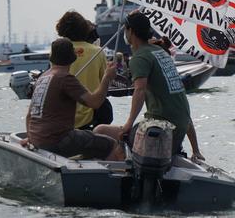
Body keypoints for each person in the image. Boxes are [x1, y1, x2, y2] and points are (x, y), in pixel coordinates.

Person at [95, 12, 203, 161]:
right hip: (177, 134)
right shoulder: (162, 53)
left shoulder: (140, 57)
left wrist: (128, 124)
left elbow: (139, 91)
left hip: (160, 131)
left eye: (125, 29)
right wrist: (196, 150)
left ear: (131, 31)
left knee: (100, 131)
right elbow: (182, 106)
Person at [23, 37, 117, 160]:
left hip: (37, 140)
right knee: (111, 144)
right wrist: (106, 78)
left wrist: (30, 138)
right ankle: (111, 178)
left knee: (88, 139)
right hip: (58, 140)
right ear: (73, 57)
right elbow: (95, 103)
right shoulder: (65, 78)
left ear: (52, 57)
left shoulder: (42, 78)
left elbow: (29, 116)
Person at [56, 10, 111, 130]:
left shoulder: (57, 51)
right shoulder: (97, 52)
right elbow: (105, 82)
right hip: (91, 116)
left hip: (63, 117)